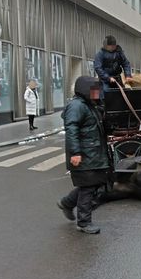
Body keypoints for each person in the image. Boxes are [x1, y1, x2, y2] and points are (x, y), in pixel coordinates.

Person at [57, 76, 110, 234]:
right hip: (84, 154)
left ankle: (67, 203)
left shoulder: (89, 105)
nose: (97, 93)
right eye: (94, 90)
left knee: (92, 184)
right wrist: (75, 153)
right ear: (85, 90)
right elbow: (71, 130)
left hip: (92, 153)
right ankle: (84, 222)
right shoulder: (77, 106)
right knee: (88, 187)